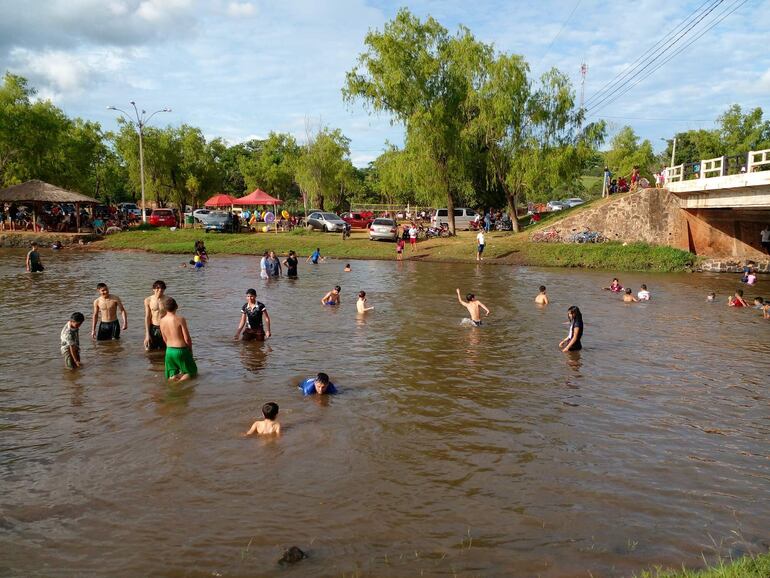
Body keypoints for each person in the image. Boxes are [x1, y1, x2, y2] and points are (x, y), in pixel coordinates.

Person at [159, 297, 197, 381]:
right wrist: (190, 349)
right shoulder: (180, 319)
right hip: (181, 350)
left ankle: (173, 384)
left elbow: (164, 339)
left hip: (169, 351)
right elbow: (187, 338)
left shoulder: (161, 321)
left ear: (165, 308)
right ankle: (179, 384)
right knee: (191, 372)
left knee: (173, 374)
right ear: (177, 306)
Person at [144, 280, 168, 350]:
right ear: (153, 289)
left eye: (162, 288)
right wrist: (147, 335)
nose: (160, 290)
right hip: (153, 327)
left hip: (165, 327)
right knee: (149, 349)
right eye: (157, 288)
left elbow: (172, 317)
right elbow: (147, 317)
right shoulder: (148, 300)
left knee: (165, 349)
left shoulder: (168, 300)